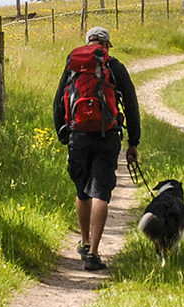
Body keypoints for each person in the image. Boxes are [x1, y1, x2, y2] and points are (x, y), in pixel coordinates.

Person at [54, 26, 140, 271]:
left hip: (77, 135)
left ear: (88, 42)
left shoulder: (73, 65)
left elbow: (59, 101)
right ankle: (93, 253)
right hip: (107, 136)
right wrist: (134, 142)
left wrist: (63, 131)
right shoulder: (114, 66)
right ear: (107, 45)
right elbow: (131, 105)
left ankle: (84, 240)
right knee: (100, 192)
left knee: (82, 191)